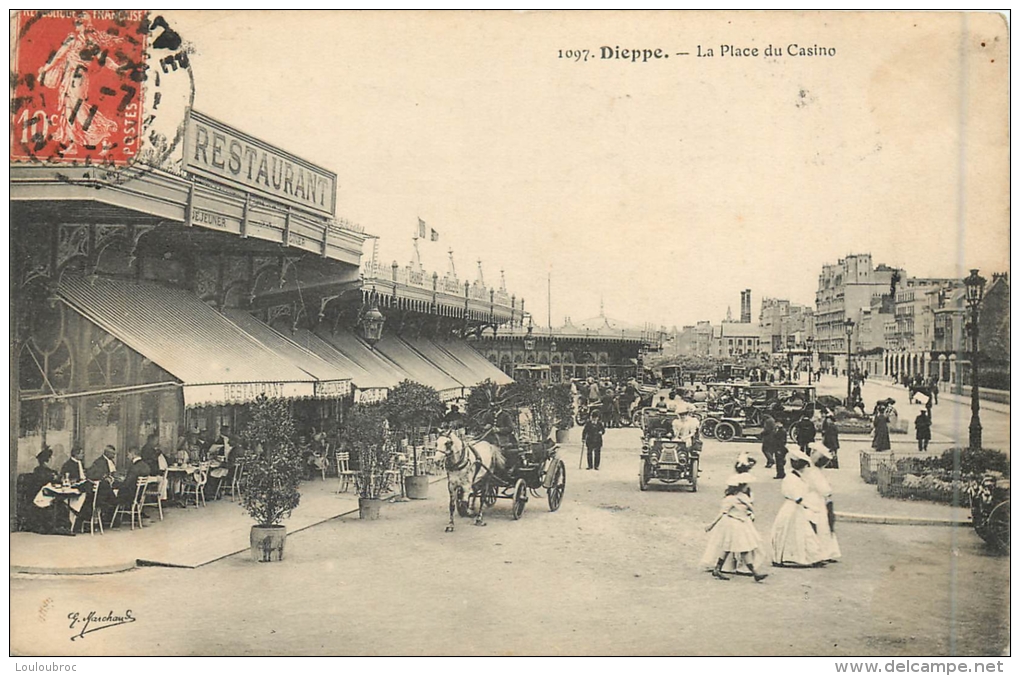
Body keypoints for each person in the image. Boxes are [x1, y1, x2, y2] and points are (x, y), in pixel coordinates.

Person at [702, 474, 767, 582]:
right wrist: (711, 525)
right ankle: (754, 573)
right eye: (745, 485)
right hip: (732, 524)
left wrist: (750, 514)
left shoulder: (745, 497)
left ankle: (753, 573)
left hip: (741, 524)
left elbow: (748, 510)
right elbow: (722, 513)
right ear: (740, 486)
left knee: (740, 548)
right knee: (731, 548)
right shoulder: (730, 499)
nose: (747, 487)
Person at [770, 448, 827, 567]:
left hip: (797, 508)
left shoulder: (799, 478)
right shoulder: (790, 478)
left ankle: (813, 556)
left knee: (805, 532)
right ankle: (792, 557)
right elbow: (797, 497)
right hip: (792, 508)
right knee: (795, 532)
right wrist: (810, 506)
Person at [803, 448, 842, 563]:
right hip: (815, 500)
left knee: (824, 526)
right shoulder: (815, 473)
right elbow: (824, 489)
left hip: (817, 500)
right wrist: (829, 490)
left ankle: (826, 552)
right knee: (821, 526)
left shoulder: (814, 472)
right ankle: (821, 553)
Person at [116, 448, 152, 512]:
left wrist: (115, 483)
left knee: (108, 493)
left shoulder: (134, 467)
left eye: (128, 454)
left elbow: (127, 484)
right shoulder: (146, 465)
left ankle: (111, 517)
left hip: (131, 495)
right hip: (140, 495)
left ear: (133, 454)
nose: (127, 456)